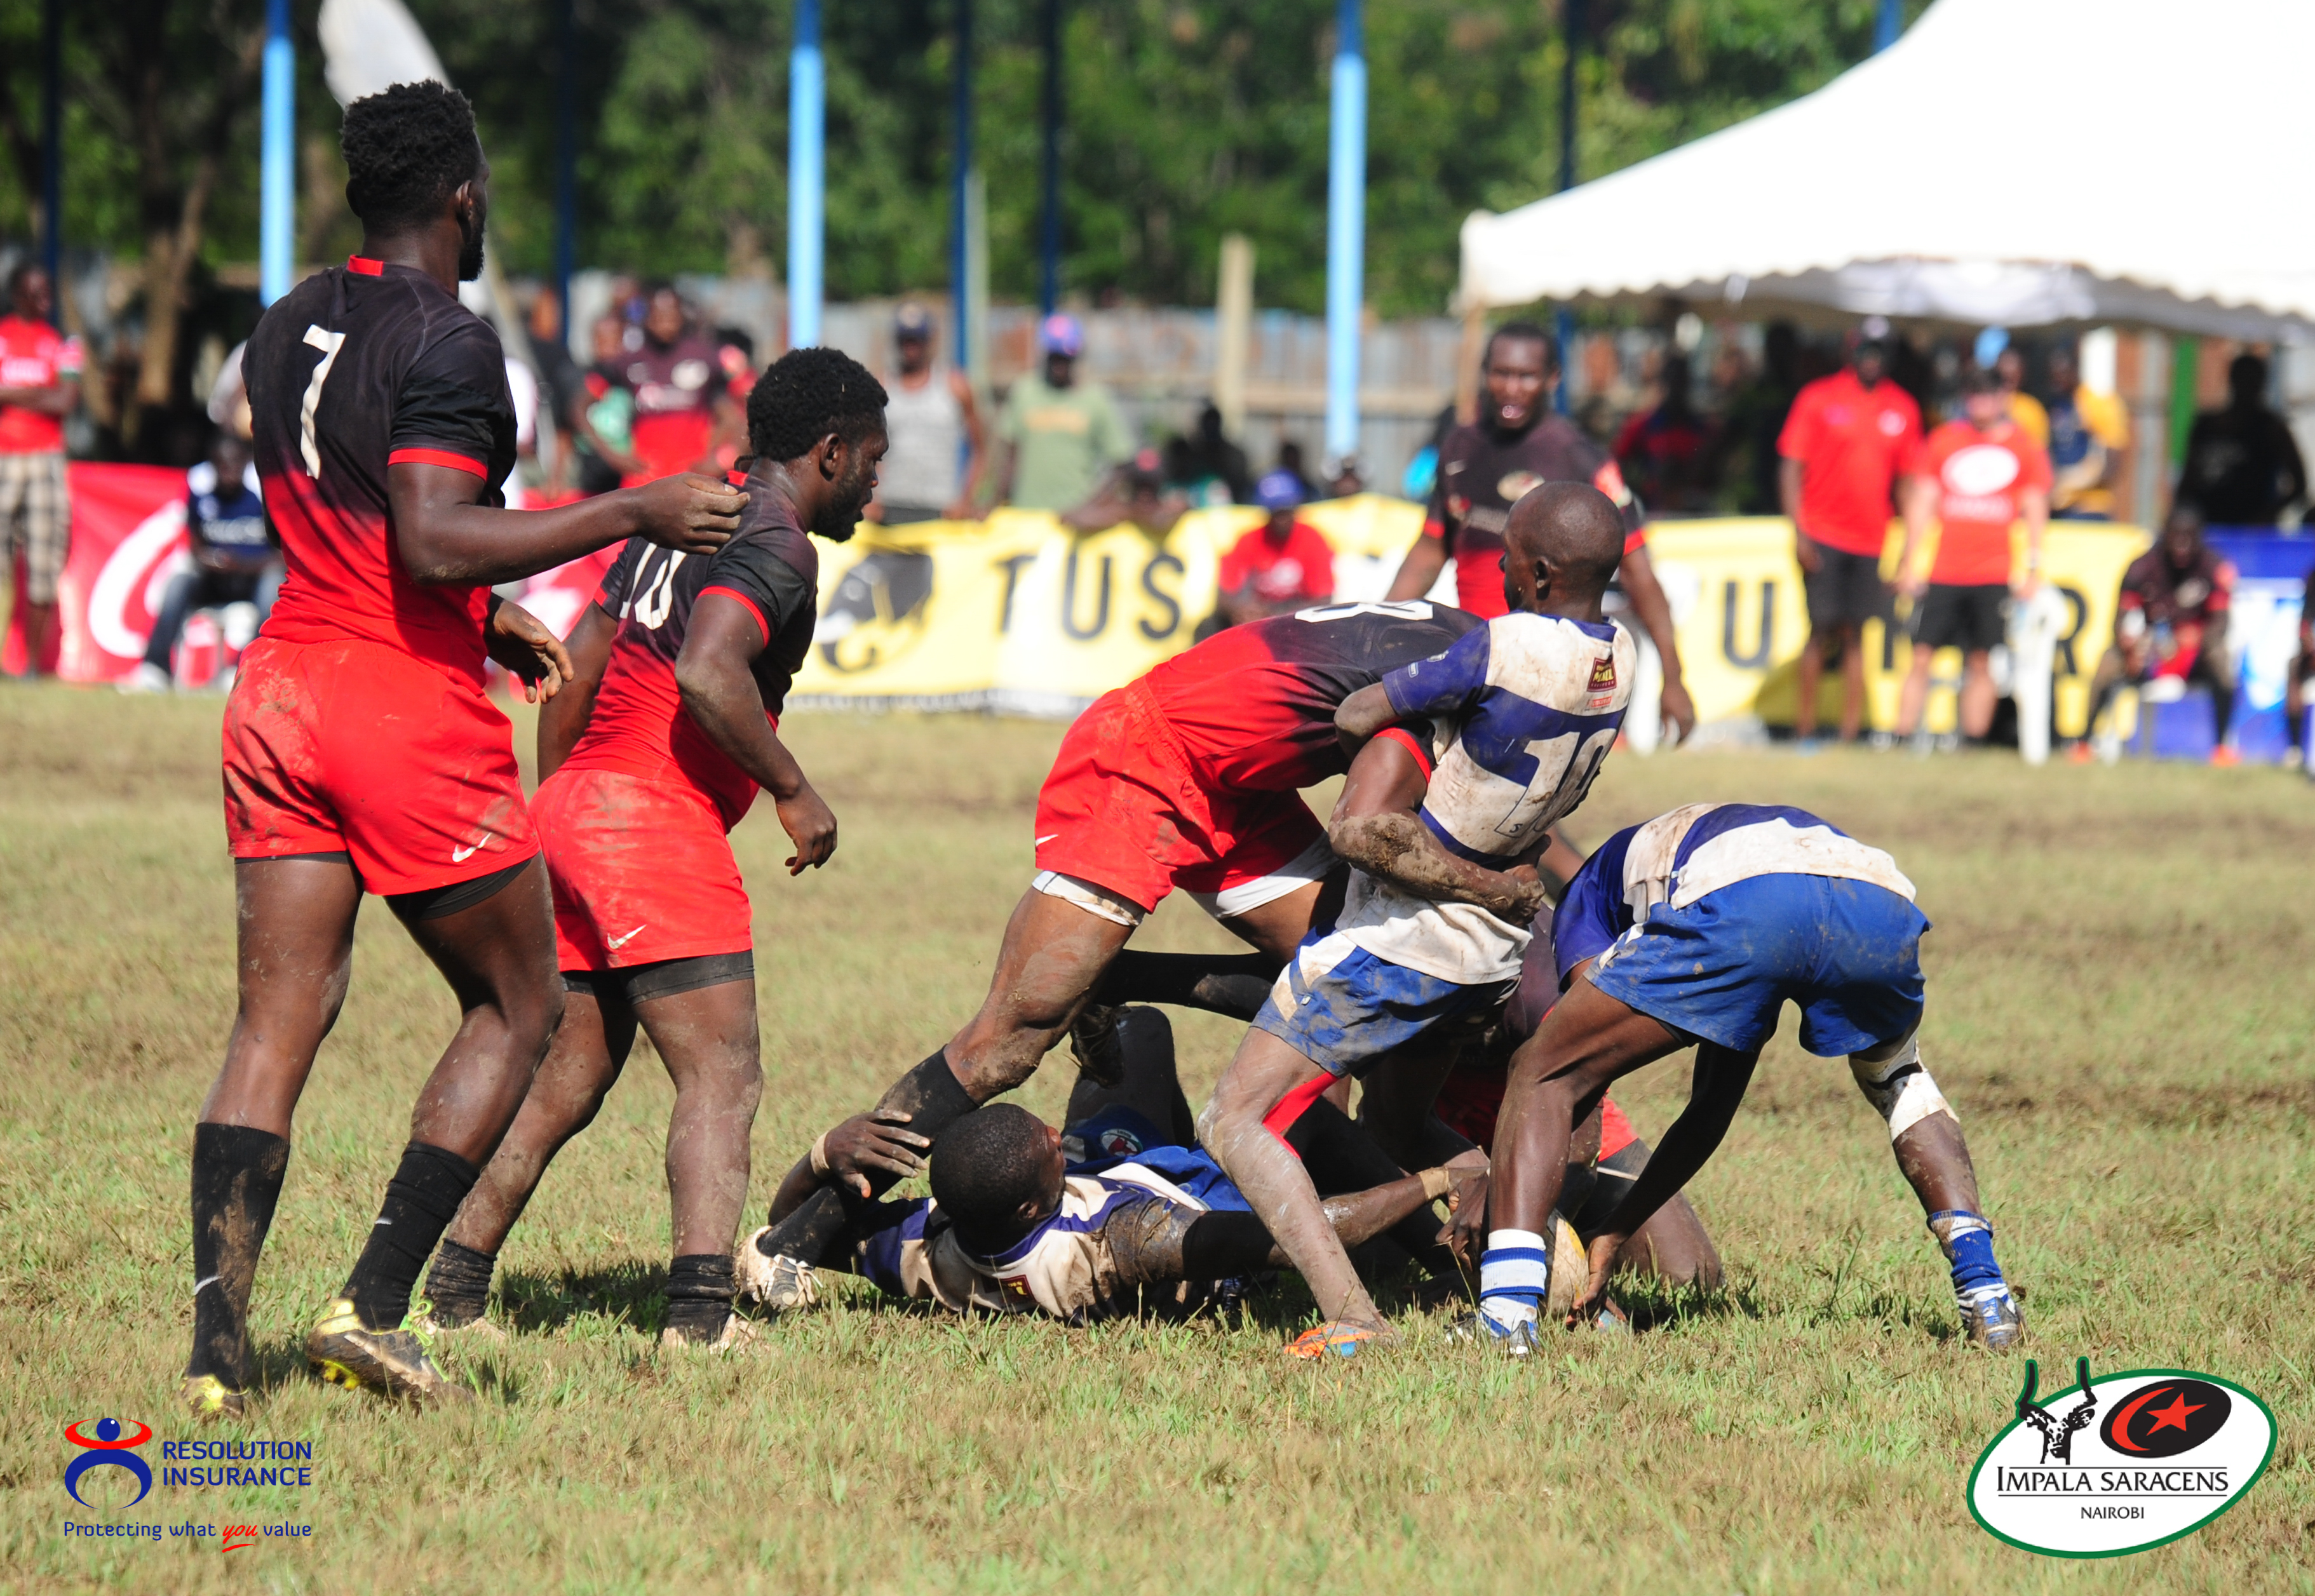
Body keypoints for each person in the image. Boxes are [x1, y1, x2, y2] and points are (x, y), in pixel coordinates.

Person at [179, 81, 745, 1419]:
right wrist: (633, 503)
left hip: (276, 690)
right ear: (464, 198)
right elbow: (429, 535)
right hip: (393, 709)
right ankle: (374, 1306)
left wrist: (489, 615)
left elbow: (359, 523)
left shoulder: (285, 321)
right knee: (521, 1002)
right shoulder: (451, 338)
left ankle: (216, 1348)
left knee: (280, 1012)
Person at [738, 589, 1519, 1308]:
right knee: (1009, 1041)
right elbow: (1366, 825)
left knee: (1330, 974)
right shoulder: (1473, 692)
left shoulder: (1482, 647)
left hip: (1234, 780)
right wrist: (1492, 899)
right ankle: (792, 1241)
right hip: (1143, 760)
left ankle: (1118, 978)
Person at [419, 349, 885, 1350]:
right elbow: (710, 676)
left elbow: (572, 666)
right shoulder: (779, 539)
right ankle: (700, 1321)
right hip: (651, 820)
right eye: (874, 464)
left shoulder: (686, 519)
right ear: (831, 452)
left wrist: (565, 810)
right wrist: (794, 791)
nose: (878, 487)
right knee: (724, 1072)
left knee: (568, 1075)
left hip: (581, 808)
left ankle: (453, 1295)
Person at [1201, 482, 1633, 1357]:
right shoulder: (1622, 658)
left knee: (1234, 1118)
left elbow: (1359, 715)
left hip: (1408, 936)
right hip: (1498, 952)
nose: (1496, 570)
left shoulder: (1504, 645)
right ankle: (1527, 1248)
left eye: (1507, 556)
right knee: (1393, 1123)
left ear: (1540, 575)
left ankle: (1355, 1317)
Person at [1456, 801, 2023, 1355]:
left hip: (1749, 899)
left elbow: (1580, 1074)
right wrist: (1614, 1231)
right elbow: (1709, 1110)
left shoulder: (1583, 901)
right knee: (1901, 1081)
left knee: (1540, 1070)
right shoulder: (1672, 868)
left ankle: (1506, 1316)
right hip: (1876, 894)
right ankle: (1985, 1288)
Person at [768, 1006, 1472, 1324]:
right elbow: (1303, 1232)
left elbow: (790, 1232)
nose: (1052, 1127)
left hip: (1102, 1173)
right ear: (1027, 1203)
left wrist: (823, 1152)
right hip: (1193, 1200)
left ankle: (1115, 1056)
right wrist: (1442, 1178)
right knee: (1303, 1112)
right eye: (1046, 1140)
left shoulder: (924, 1249)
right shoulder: (1125, 1243)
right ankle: (1447, 1261)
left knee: (1138, 1030)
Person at [1384, 322, 1696, 741]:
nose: (1512, 388)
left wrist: (1673, 679)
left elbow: (1640, 573)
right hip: (1476, 660)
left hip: (1547, 676)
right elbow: (1427, 554)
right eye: (1501, 373)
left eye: (1526, 376)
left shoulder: (1580, 460)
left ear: (1553, 378)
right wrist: (1377, 632)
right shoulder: (1459, 449)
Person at [1893, 367, 2051, 751]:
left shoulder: (2023, 446)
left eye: (1988, 393)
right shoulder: (1945, 441)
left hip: (1992, 571)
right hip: (1946, 569)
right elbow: (1922, 502)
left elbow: (2034, 508)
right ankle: (1899, 735)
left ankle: (1974, 742)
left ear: (2002, 397)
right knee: (1921, 655)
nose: (1981, 401)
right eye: (1974, 393)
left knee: (1982, 661)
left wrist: (2032, 567)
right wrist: (1909, 562)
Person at [1778, 328, 1922, 746]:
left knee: (1858, 634)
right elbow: (1791, 466)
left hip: (1871, 539)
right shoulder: (1819, 398)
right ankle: (1804, 729)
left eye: (1879, 351)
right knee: (1820, 630)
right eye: (1865, 350)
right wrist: (1799, 531)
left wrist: (1907, 550)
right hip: (1822, 532)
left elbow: (1908, 482)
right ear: (1850, 351)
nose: (1871, 359)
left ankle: (1848, 732)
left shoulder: (1902, 407)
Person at [2075, 502, 2240, 765]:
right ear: (2165, 534)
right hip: (2149, 650)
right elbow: (2120, 618)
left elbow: (2221, 622)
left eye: (2189, 537)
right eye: (2176, 535)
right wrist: (2131, 645)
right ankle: (2084, 744)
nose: (2182, 545)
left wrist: (2197, 639)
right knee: (2108, 663)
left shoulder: (2213, 567)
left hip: (2194, 653)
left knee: (2222, 661)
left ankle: (2222, 748)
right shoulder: (2142, 567)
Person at [123, 433, 278, 692]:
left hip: (253, 577)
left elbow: (281, 555)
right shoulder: (200, 491)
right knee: (179, 581)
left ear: (246, 463)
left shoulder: (262, 493)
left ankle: (240, 667)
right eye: (222, 465)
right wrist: (213, 562)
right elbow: (194, 546)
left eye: (235, 464)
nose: (229, 471)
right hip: (214, 578)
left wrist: (239, 565)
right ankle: (155, 667)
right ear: (213, 465)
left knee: (273, 584)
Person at [0, 264, 82, 677]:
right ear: (18, 295)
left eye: (48, 292)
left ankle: (29, 664)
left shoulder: (66, 344)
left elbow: (65, 401)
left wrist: (10, 394)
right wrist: (40, 393)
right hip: (3, 456)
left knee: (43, 561)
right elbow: (50, 396)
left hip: (47, 459)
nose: (45, 301)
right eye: (36, 293)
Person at [995, 314, 1131, 511]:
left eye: (1066, 357)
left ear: (1077, 356)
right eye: (1055, 356)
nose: (1060, 364)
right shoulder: (1025, 392)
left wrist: (1092, 506)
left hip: (1075, 523)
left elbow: (1122, 462)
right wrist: (997, 503)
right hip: (1028, 516)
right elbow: (1010, 458)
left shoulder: (1095, 399)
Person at [872, 303, 982, 523]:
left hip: (941, 507)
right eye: (905, 339)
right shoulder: (881, 387)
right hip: (891, 506)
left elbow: (980, 449)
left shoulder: (955, 387)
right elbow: (865, 450)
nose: (911, 347)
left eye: (916, 340)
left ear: (929, 340)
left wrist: (966, 499)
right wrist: (869, 497)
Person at [622, 284, 740, 486]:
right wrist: (615, 456)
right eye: (658, 315)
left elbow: (733, 418)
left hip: (692, 480)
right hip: (644, 482)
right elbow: (590, 410)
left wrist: (720, 458)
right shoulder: (628, 362)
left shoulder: (705, 357)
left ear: (681, 315)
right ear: (647, 318)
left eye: (670, 315)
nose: (664, 323)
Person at [2180, 353, 2307, 527]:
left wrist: (2268, 513)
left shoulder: (2270, 429)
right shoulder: (2207, 426)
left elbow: (2299, 484)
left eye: (2252, 382)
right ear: (2232, 381)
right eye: (2243, 380)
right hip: (2208, 527)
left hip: (2251, 533)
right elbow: (2189, 476)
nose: (2246, 388)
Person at [1213, 470, 1334, 626]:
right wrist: (1239, 610)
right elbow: (1224, 594)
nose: (1281, 519)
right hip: (1256, 609)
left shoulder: (1312, 539)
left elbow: (1324, 599)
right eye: (1275, 512)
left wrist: (1276, 616)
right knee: (1209, 624)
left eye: (1286, 511)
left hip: (1296, 614)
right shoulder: (1250, 539)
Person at [1612, 353, 1716, 514]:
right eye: (1672, 380)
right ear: (1663, 383)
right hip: (1652, 509)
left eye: (1681, 381)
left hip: (1693, 511)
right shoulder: (1643, 427)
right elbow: (1617, 463)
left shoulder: (1702, 430)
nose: (1676, 387)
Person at [2043, 342, 2130, 520]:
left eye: (2061, 375)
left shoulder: (2097, 402)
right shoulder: (2057, 405)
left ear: (2075, 371)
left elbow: (2115, 456)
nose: (2057, 382)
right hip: (2058, 506)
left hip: (2090, 508)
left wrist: (2075, 484)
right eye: (2053, 377)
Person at [1163, 401, 1252, 506]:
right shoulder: (1195, 453)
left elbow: (1241, 489)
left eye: (1214, 423)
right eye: (1208, 423)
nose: (1211, 428)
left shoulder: (1234, 455)